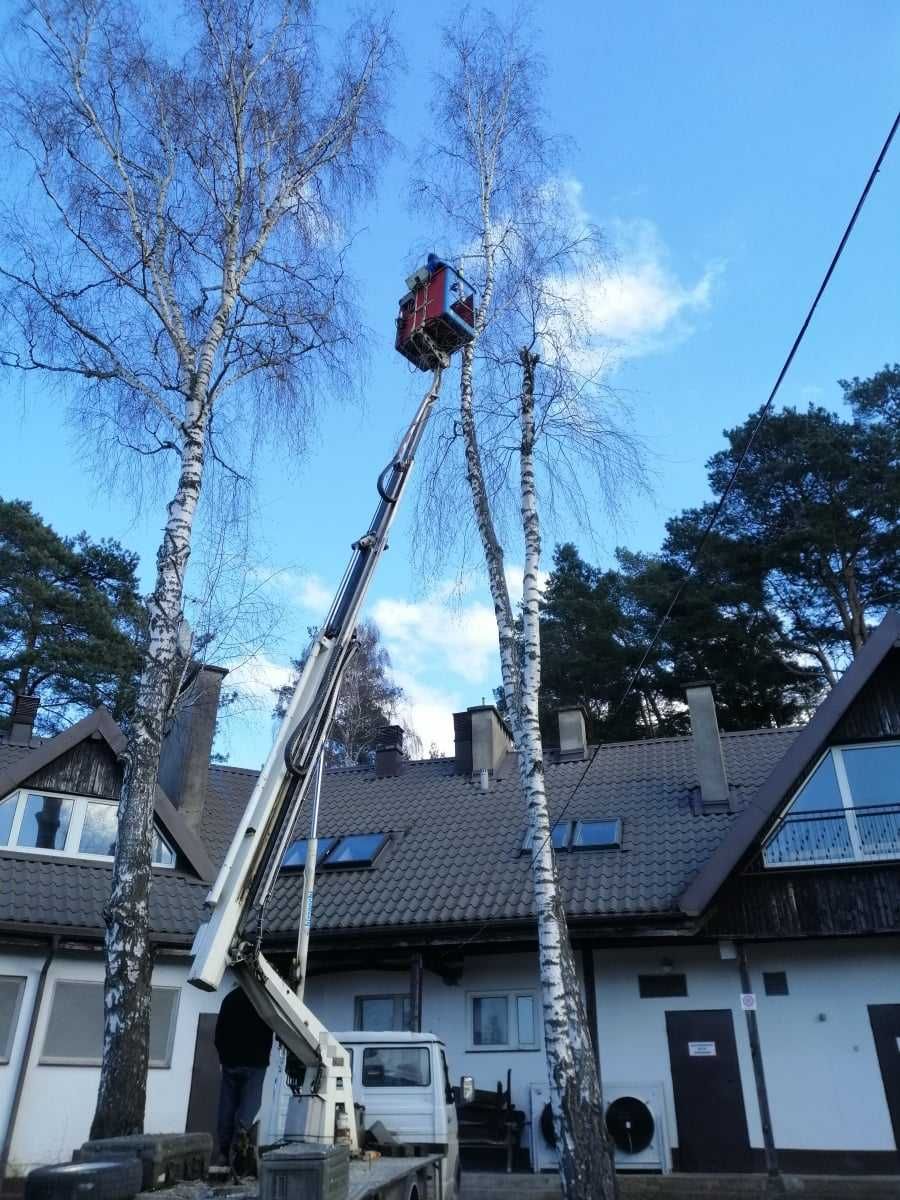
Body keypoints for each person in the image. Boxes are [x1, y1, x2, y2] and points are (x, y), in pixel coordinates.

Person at [214, 983, 274, 1173]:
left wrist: (224, 1057)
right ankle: (241, 1132)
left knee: (227, 1105)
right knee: (251, 1102)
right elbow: (272, 1027)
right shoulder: (263, 1001)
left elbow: (218, 1035)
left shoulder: (229, 999)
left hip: (231, 1062)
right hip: (255, 1062)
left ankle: (223, 1152)